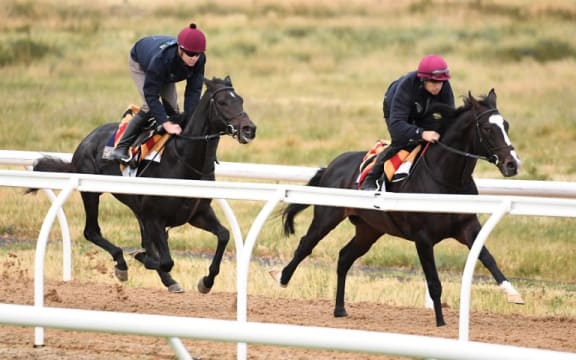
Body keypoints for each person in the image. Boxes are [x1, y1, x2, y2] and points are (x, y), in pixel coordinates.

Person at [109, 23, 207, 162]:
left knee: (174, 112)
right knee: (149, 107)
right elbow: (151, 95)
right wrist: (165, 123)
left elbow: (193, 92)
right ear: (180, 49)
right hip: (141, 63)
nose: (194, 58)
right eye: (190, 54)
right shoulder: (161, 60)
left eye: (197, 54)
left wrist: (191, 122)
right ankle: (121, 148)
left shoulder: (199, 60)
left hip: (167, 72)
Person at [360, 54, 455, 191]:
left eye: (441, 82)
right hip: (395, 108)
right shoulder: (407, 85)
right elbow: (397, 125)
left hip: (422, 108)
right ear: (423, 80)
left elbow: (449, 117)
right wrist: (421, 133)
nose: (438, 86)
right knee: (402, 141)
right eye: (433, 82)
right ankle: (371, 178)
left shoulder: (444, 86)